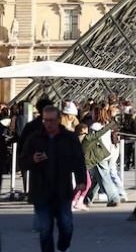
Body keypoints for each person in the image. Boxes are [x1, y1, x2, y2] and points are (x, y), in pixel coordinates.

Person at [20, 105, 86, 252]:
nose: (48, 124)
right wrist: (33, 159)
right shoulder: (35, 138)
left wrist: (81, 180)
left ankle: (63, 246)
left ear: (59, 120)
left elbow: (78, 160)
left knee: (66, 225)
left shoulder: (69, 138)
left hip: (62, 189)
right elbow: (22, 161)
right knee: (45, 229)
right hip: (41, 190)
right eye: (46, 120)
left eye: (51, 120)